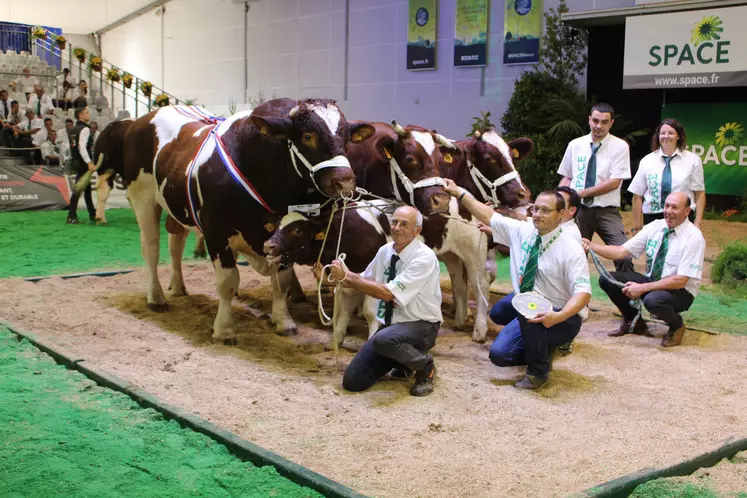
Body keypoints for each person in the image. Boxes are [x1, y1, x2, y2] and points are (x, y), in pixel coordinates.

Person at [445, 179, 592, 390]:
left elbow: (583, 294)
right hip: (531, 306)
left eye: (546, 210)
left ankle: (538, 373)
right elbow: (489, 215)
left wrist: (557, 317)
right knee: (499, 354)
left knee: (528, 308)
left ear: (561, 215)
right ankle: (543, 348)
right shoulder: (524, 231)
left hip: (562, 316)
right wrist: (459, 191)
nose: (538, 214)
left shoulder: (570, 247)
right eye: (536, 209)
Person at [320, 205, 441, 397]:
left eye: (404, 224)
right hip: (391, 326)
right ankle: (402, 361)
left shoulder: (424, 258)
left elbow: (387, 293)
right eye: (394, 222)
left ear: (416, 231)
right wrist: (334, 278)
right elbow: (366, 280)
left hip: (421, 325)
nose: (397, 228)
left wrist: (349, 277)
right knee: (353, 381)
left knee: (384, 340)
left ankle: (424, 365)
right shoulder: (385, 250)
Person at [583, 192, 705, 347]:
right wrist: (591, 245)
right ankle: (634, 321)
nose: (668, 211)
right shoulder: (655, 227)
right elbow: (621, 251)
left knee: (652, 300)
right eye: (667, 206)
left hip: (680, 291)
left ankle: (677, 326)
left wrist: (642, 288)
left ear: (687, 211)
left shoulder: (694, 237)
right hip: (652, 281)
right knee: (607, 279)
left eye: (675, 207)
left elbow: (681, 281)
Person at [557, 102, 633, 272]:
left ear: (611, 123)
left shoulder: (620, 146)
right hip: (579, 210)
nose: (599, 126)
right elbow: (567, 176)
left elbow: (615, 182)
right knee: (572, 256)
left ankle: (629, 297)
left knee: (624, 255)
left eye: (604, 122)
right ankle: (571, 297)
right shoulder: (575, 145)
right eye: (596, 121)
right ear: (589, 120)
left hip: (607, 211)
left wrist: (581, 193)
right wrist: (560, 199)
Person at [629, 119, 705, 233]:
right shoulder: (647, 161)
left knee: (680, 250)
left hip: (682, 217)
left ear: (678, 136)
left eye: (670, 133)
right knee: (656, 251)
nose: (666, 136)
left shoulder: (693, 160)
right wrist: (637, 226)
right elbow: (637, 195)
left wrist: (697, 223)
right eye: (662, 133)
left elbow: (699, 193)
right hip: (652, 217)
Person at [66, 106, 97, 224]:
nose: (88, 114)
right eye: (86, 113)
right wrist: (89, 162)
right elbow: (82, 147)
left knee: (87, 188)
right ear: (80, 116)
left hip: (75, 160)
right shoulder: (85, 129)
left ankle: (92, 213)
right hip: (83, 162)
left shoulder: (72, 129)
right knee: (78, 189)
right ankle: (71, 215)